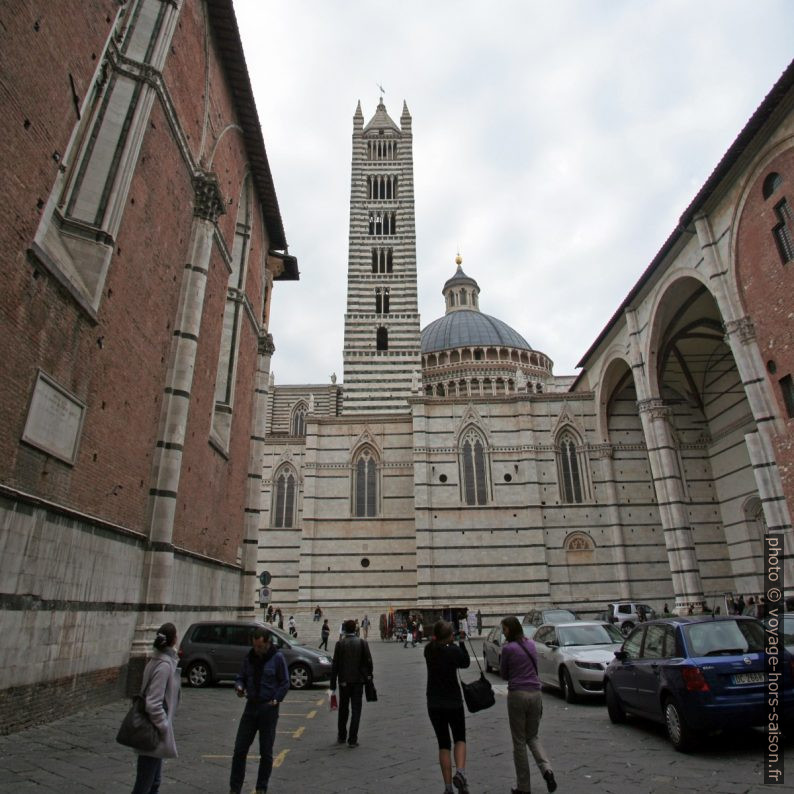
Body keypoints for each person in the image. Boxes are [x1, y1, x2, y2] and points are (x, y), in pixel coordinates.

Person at [500, 616, 556, 794]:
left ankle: (523, 787)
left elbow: (504, 674)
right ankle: (547, 770)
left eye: (504, 629)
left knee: (519, 742)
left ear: (510, 629)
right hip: (536, 693)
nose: (502, 632)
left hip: (518, 694)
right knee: (533, 737)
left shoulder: (508, 648)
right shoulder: (531, 644)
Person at [229, 627, 289, 794]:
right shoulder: (250, 658)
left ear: (267, 643)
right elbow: (241, 676)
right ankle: (235, 788)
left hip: (268, 708)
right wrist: (239, 687)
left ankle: (261, 787)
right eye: (255, 646)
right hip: (251, 706)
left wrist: (276, 699)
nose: (257, 650)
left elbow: (285, 682)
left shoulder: (277, 658)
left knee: (266, 752)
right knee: (239, 749)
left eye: (260, 647)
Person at [130, 622, 180, 794]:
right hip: (154, 730)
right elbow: (153, 702)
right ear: (174, 639)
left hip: (154, 728)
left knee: (154, 781)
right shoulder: (164, 665)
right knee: (145, 783)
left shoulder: (156, 660)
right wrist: (164, 726)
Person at [424, 620, 471, 794]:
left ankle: (448, 787)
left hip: (434, 703)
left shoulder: (429, 650)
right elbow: (465, 662)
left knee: (443, 744)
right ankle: (460, 773)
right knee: (460, 738)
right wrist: (461, 642)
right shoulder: (454, 651)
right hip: (453, 702)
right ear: (450, 636)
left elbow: (436, 644)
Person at [330, 618, 374, 747]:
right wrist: (369, 676)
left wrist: (333, 684)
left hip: (344, 682)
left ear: (344, 630)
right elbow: (369, 662)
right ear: (355, 629)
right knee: (356, 710)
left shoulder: (340, 644)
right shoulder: (362, 643)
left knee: (343, 709)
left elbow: (335, 666)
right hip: (358, 682)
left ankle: (342, 736)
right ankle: (353, 739)